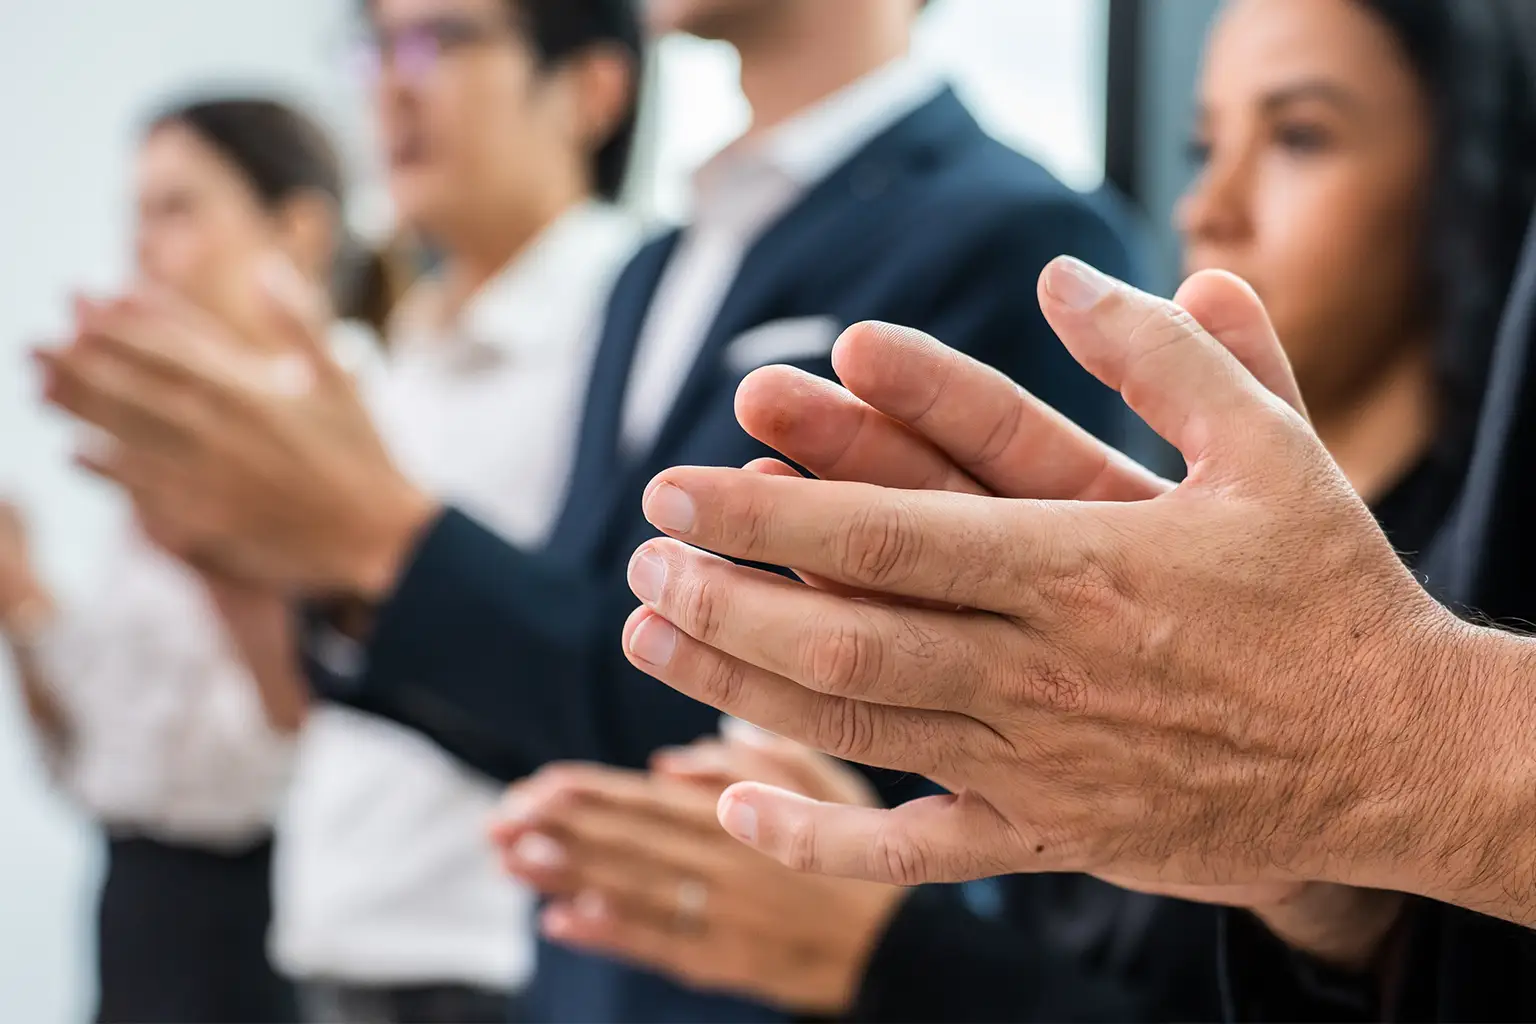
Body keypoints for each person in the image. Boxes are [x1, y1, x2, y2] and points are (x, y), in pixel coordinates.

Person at [36, 0, 1140, 1020]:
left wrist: (383, 541)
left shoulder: (1013, 233)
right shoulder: (659, 265)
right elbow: (585, 668)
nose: (393, 89)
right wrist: (320, 569)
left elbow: (835, 726)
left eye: (442, 41)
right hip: (559, 971)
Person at [486, 1, 1536, 1018]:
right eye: (1201, 142)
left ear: (1468, 182)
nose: (1206, 207)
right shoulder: (1178, 573)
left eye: (1302, 136)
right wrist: (1341, 908)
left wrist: (895, 954)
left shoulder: (1003, 225)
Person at [266, 2, 643, 1022]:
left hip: (502, 949)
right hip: (343, 926)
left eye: (442, 42)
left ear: (591, 90)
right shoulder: (403, 337)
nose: (393, 84)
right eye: (378, 48)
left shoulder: (632, 320)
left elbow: (623, 665)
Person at [0, 96, 366, 1024]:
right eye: (137, 214)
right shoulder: (157, 446)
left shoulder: (366, 436)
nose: (144, 247)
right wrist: (25, 603)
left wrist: (223, 564)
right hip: (139, 898)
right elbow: (110, 746)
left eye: (178, 208)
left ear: (297, 229)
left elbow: (328, 739)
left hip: (271, 918)